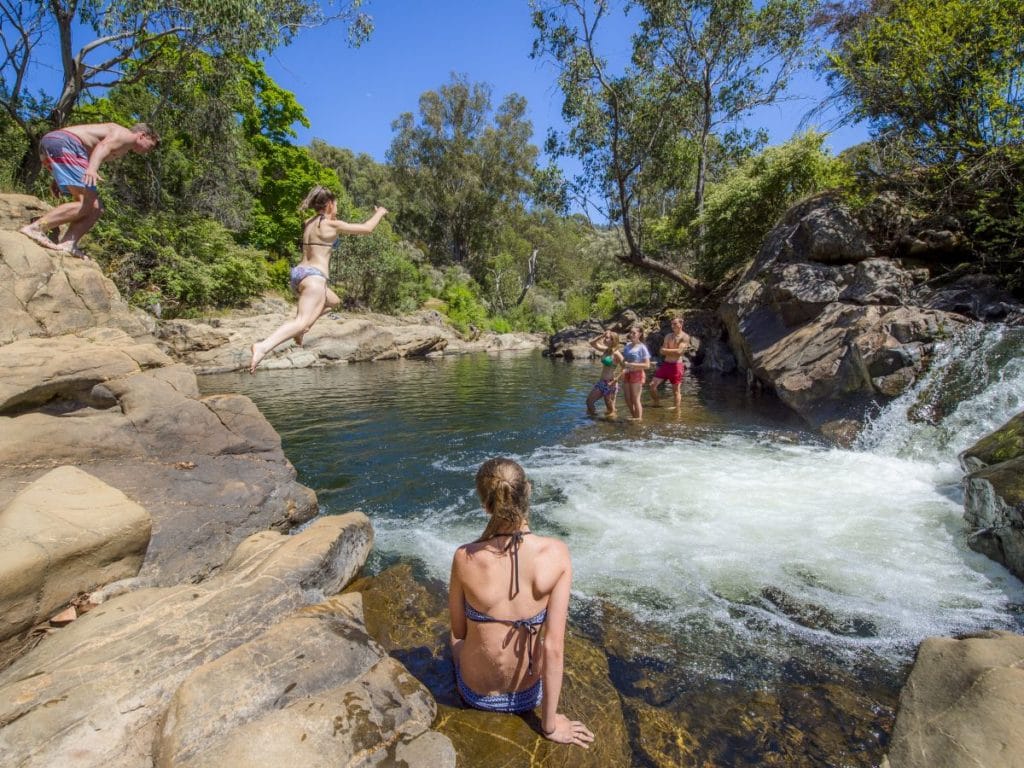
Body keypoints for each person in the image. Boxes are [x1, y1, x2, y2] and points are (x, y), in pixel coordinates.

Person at [448, 458, 594, 748]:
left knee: (451, 638)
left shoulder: (465, 557)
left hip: (475, 693)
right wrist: (549, 726)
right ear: (528, 491)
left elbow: (460, 631)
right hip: (530, 695)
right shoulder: (557, 554)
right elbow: (553, 647)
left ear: (485, 505)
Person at [249, 186, 388, 373]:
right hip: (314, 278)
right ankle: (263, 347)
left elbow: (324, 237)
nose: (337, 207)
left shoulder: (309, 222)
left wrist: (332, 217)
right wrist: (380, 212)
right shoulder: (331, 225)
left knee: (333, 301)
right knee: (301, 320)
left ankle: (301, 330)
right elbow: (367, 228)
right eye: (336, 203)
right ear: (329, 204)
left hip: (299, 275)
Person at [19, 123, 160, 258]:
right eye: (151, 146)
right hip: (65, 144)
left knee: (96, 207)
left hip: (54, 144)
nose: (148, 151)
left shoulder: (124, 145)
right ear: (142, 135)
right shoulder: (125, 135)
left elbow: (88, 153)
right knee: (87, 203)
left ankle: (68, 243)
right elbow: (103, 146)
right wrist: (92, 169)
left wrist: (57, 178)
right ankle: (36, 228)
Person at [649, 316, 692, 408]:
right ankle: (657, 403)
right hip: (666, 365)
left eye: (675, 324)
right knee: (652, 385)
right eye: (672, 324)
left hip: (676, 366)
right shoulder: (668, 336)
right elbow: (661, 351)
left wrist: (667, 350)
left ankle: (677, 411)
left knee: (676, 391)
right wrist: (670, 351)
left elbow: (679, 352)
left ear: (681, 324)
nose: (673, 326)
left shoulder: (685, 337)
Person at [586, 329, 624, 417]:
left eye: (607, 338)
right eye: (605, 338)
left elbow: (626, 367)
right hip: (601, 382)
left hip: (610, 383)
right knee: (589, 402)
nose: (605, 339)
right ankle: (593, 420)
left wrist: (616, 380)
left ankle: (611, 425)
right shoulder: (606, 350)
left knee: (610, 409)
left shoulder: (616, 353)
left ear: (613, 340)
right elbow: (592, 343)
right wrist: (601, 336)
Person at [621, 325, 651, 420]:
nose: (632, 335)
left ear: (640, 334)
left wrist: (632, 365)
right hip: (626, 373)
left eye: (634, 333)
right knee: (627, 398)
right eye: (631, 332)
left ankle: (639, 419)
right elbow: (624, 361)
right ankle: (634, 415)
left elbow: (647, 365)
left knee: (635, 399)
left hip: (637, 374)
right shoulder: (627, 346)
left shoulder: (642, 347)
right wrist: (623, 365)